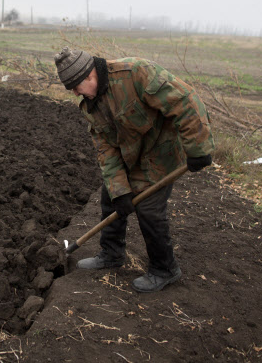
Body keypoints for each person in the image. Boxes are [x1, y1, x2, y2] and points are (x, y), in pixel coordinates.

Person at [54, 47, 214, 292]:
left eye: (76, 86)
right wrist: (119, 190)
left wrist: (198, 148)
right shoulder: (91, 105)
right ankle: (111, 253)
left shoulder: (136, 73)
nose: (75, 93)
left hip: (161, 152)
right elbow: (106, 150)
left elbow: (185, 101)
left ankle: (165, 269)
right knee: (111, 197)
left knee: (148, 209)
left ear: (89, 75)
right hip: (131, 155)